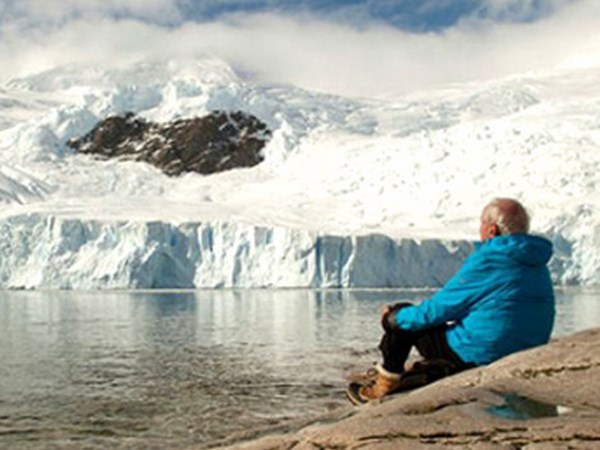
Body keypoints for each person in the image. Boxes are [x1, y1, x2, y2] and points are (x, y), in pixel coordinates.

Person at [348, 198, 555, 404]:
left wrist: (391, 319)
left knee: (403, 317)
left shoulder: (490, 259)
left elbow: (437, 310)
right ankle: (424, 372)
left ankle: (383, 388)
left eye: (481, 226)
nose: (480, 232)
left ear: (492, 230)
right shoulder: (536, 261)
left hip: (479, 355)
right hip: (523, 354)